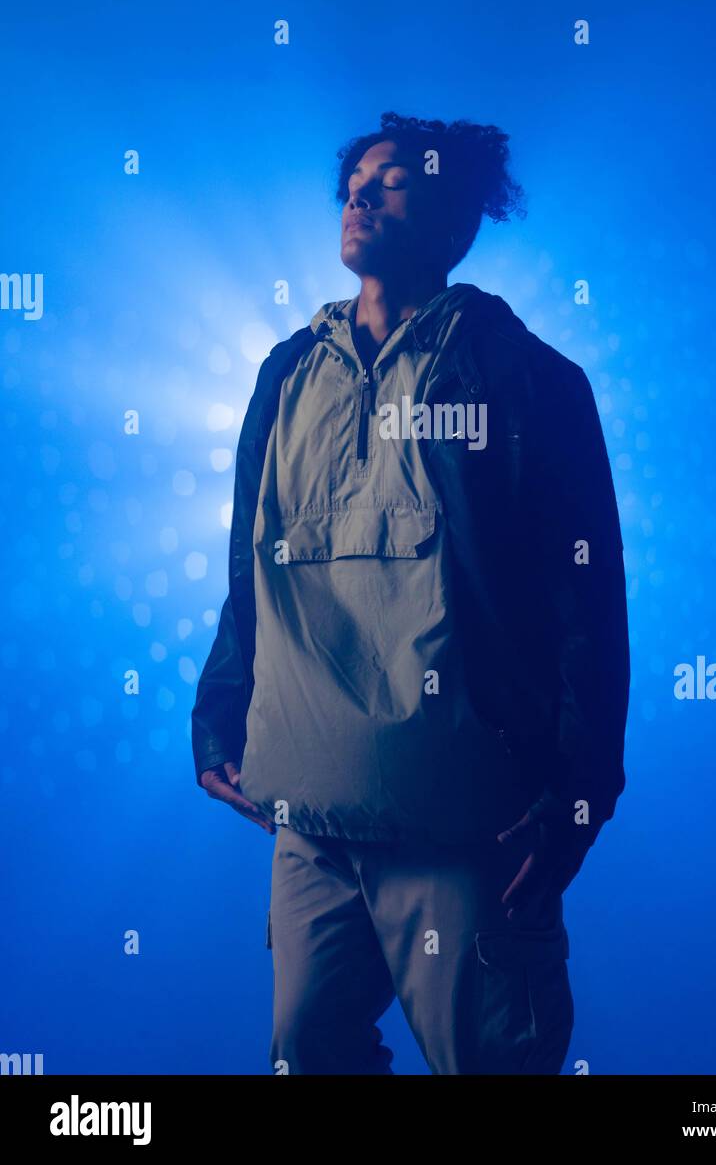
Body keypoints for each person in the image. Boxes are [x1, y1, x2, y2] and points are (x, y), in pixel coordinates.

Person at [191, 111, 630, 1075]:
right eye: (356, 178)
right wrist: (220, 708)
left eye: (392, 181)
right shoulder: (285, 374)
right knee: (309, 1053)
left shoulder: (526, 379)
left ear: (454, 217)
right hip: (309, 821)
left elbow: (585, 598)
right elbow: (251, 564)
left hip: (469, 827)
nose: (361, 192)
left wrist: (581, 788)